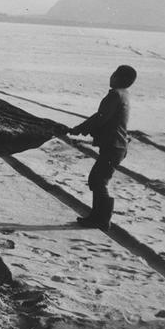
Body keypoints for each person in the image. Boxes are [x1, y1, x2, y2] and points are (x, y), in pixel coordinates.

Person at [68, 65, 137, 229]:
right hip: (117, 146)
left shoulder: (115, 94)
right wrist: (83, 128)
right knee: (98, 180)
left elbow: (101, 118)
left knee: (98, 180)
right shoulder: (124, 94)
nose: (111, 77)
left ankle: (102, 219)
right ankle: (97, 217)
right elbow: (101, 117)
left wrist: (81, 128)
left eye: (114, 74)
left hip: (114, 146)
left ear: (118, 78)